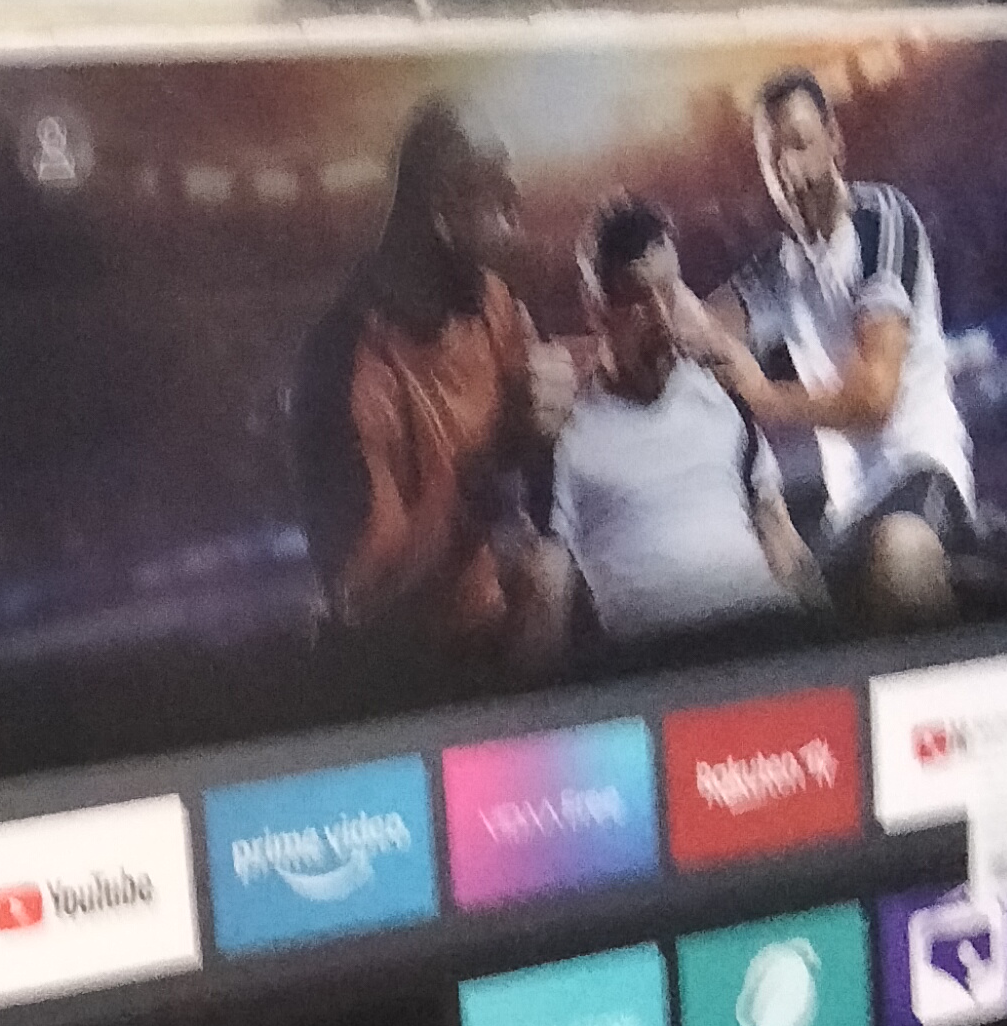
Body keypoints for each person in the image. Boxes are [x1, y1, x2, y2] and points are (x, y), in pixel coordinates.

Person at [290, 103, 575, 656]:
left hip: (497, 626)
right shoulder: (342, 363)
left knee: (556, 572)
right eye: (501, 198)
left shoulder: (491, 302)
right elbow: (362, 598)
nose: (516, 220)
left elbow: (531, 477)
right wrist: (489, 464)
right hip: (411, 666)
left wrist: (546, 431)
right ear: (444, 209)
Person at [721, 70, 977, 619]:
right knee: (766, 598)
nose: (789, 170)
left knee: (900, 556)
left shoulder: (881, 220)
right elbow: (696, 325)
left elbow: (874, 399)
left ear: (835, 142)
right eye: (773, 159)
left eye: (800, 144)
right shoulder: (776, 268)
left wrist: (765, 397)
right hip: (848, 514)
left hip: (922, 475)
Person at [530, 198, 824, 661]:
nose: (661, 319)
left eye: (668, 292)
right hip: (662, 666)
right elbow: (546, 598)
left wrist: (834, 646)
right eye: (638, 301)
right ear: (596, 308)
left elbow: (782, 541)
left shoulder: (723, 396)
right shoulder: (565, 435)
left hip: (767, 640)